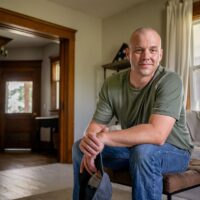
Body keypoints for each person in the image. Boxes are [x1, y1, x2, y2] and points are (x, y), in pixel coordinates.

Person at [72, 27, 193, 200]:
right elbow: (95, 126)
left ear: (160, 54)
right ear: (128, 54)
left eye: (153, 50)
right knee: (79, 148)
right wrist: (91, 146)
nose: (146, 57)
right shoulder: (112, 84)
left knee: (144, 152)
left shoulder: (170, 80)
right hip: (133, 148)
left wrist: (105, 138)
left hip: (175, 151)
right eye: (139, 50)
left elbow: (157, 134)